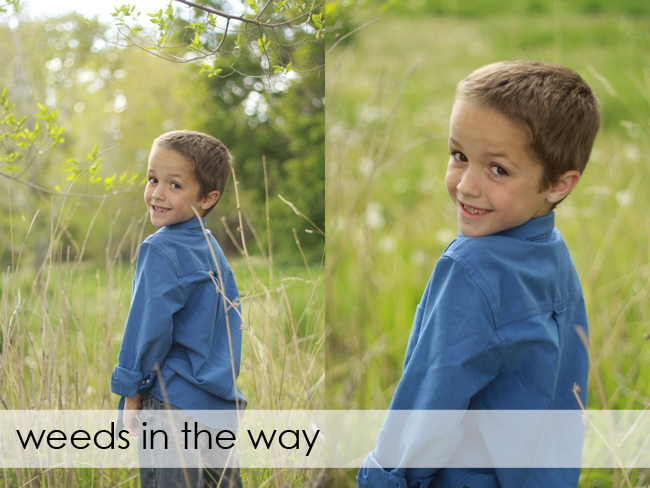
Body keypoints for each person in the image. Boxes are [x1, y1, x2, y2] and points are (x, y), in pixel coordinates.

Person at [357, 60, 601, 487]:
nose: (466, 185)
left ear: (558, 184)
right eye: (459, 156)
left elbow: (429, 414)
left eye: (498, 169)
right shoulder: (553, 254)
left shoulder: (470, 269)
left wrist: (384, 478)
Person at [110, 130, 246, 487]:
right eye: (153, 179)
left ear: (207, 198)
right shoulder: (211, 248)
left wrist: (131, 393)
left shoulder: (161, 249)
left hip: (171, 405)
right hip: (218, 407)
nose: (156, 193)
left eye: (175, 185)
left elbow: (147, 330)